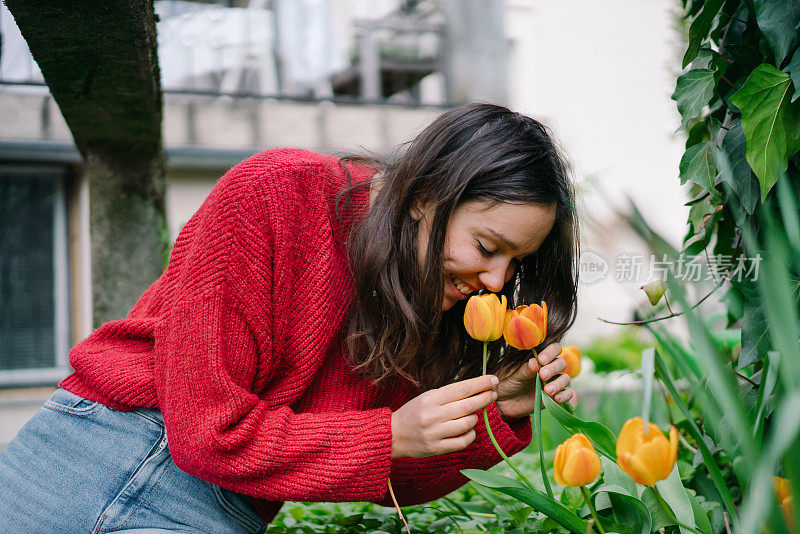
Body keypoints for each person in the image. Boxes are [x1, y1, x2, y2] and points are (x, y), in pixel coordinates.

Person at [0, 102, 579, 533]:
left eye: (516, 262)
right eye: (486, 247)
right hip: (101, 454)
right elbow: (204, 431)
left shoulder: (429, 302)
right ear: (428, 192)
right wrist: (388, 434)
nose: (499, 282)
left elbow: (385, 479)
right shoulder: (277, 194)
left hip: (230, 502)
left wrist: (497, 410)